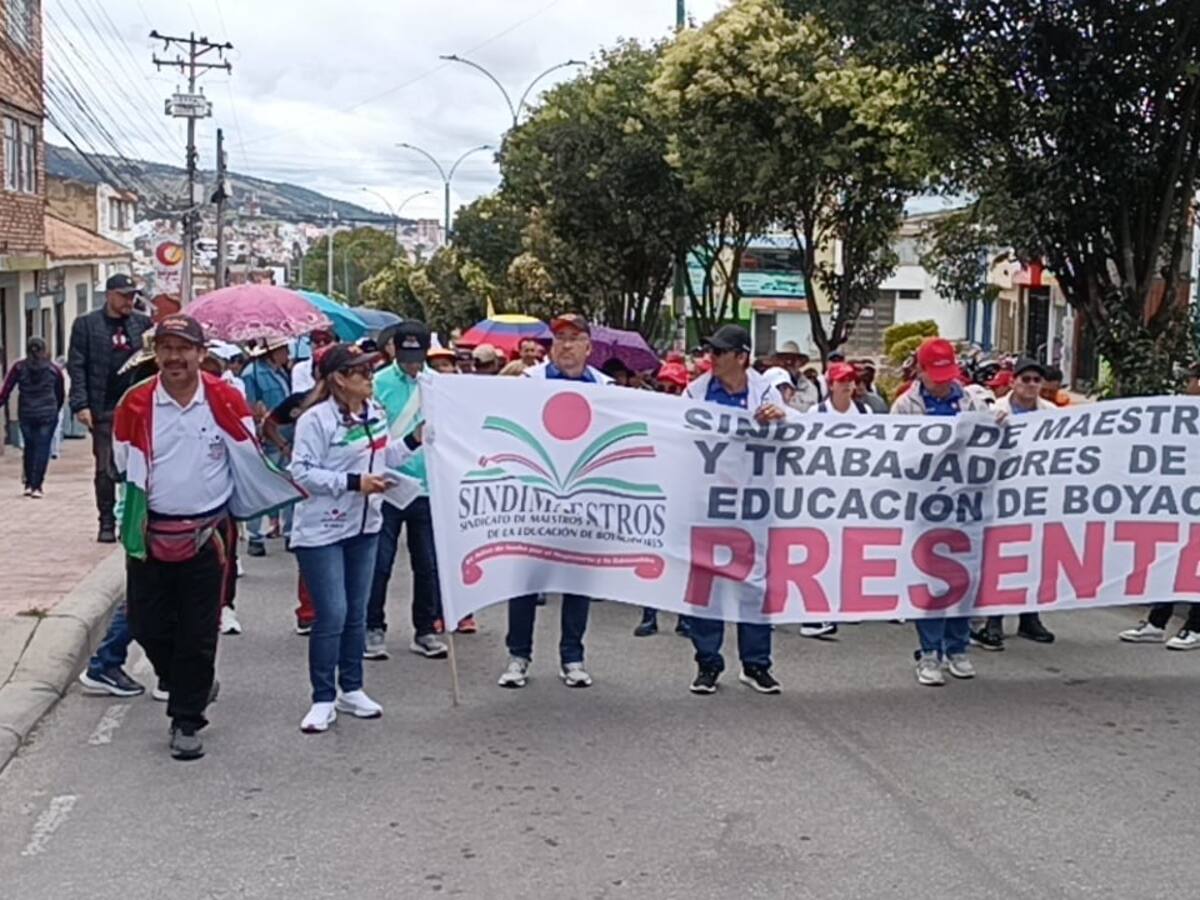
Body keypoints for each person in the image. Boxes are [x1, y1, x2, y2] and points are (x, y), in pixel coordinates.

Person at [113, 314, 303, 759]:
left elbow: (247, 453)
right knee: (145, 624)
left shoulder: (223, 397)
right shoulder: (136, 402)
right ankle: (187, 683)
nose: (175, 357)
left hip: (209, 533)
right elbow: (121, 463)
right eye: (167, 347)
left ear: (202, 353)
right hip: (149, 528)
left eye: (184, 348)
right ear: (155, 353)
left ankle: (186, 719)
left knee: (199, 631)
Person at [290, 343, 420, 734]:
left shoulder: (374, 413)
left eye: (369, 370)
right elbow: (302, 472)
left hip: (365, 526)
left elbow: (385, 456)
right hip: (322, 530)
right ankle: (322, 697)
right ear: (339, 379)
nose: (368, 377)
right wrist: (353, 483)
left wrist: (414, 441)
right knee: (332, 613)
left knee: (356, 613)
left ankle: (352, 687)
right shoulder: (315, 421)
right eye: (360, 371)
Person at [497, 314, 614, 689]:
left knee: (578, 578)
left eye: (574, 338)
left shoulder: (606, 388)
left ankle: (573, 656)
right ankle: (518, 655)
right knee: (526, 580)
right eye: (559, 337)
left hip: (584, 499)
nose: (565, 345)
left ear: (588, 346)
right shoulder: (528, 383)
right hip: (536, 497)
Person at [684, 324, 787, 695]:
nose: (711, 358)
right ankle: (707, 663)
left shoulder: (766, 392)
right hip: (707, 501)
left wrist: (779, 421)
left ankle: (756, 664)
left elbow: (788, 441)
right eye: (710, 351)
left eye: (719, 352)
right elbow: (682, 439)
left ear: (741, 357)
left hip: (752, 504)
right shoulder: (694, 391)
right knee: (706, 583)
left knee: (754, 583)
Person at [891, 337, 988, 686]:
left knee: (964, 577)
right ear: (920, 370)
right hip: (926, 506)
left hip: (965, 504)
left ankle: (958, 647)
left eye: (948, 372)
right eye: (936, 374)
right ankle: (929, 652)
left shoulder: (972, 400)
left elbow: (989, 444)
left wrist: (1000, 425)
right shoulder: (906, 406)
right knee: (931, 580)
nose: (943, 380)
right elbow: (898, 456)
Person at [366, 321, 451, 661]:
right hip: (388, 483)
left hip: (428, 486)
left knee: (427, 564)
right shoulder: (378, 383)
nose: (413, 364)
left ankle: (426, 629)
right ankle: (373, 627)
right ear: (393, 352)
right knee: (380, 563)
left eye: (418, 357)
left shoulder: (438, 384)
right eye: (406, 357)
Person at [971, 358, 1057, 650]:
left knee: (1033, 558)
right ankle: (993, 620)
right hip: (1001, 499)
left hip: (1035, 499)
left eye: (1036, 380)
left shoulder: (1053, 415)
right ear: (1013, 382)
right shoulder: (994, 412)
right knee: (1000, 559)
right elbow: (977, 455)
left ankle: (1029, 618)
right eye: (1026, 379)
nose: (1032, 385)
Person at [67, 274, 153, 542]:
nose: (130, 301)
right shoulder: (86, 325)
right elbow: (77, 365)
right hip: (103, 407)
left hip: (137, 407)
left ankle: (140, 517)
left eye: (133, 296)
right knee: (105, 467)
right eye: (124, 295)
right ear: (110, 295)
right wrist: (81, 404)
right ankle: (106, 521)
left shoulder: (142, 323)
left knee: (141, 465)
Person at [241, 338, 293, 556]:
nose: (287, 354)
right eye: (283, 350)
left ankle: (290, 532)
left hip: (287, 435)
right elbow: (249, 408)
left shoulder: (281, 372)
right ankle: (255, 536)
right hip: (266, 438)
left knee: (289, 484)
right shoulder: (251, 374)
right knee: (261, 486)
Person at [0, 336, 65, 498]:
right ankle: (37, 486)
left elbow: (6, 389)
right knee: (42, 448)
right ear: (44, 350)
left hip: (26, 413)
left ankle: (28, 483)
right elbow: (60, 392)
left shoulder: (19, 367)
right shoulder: (53, 369)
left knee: (29, 447)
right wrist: (56, 408)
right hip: (48, 413)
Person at [291, 328, 336, 396]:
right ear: (310, 343)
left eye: (326, 340)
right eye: (317, 340)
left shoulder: (340, 365)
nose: (322, 344)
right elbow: (299, 397)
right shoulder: (300, 369)